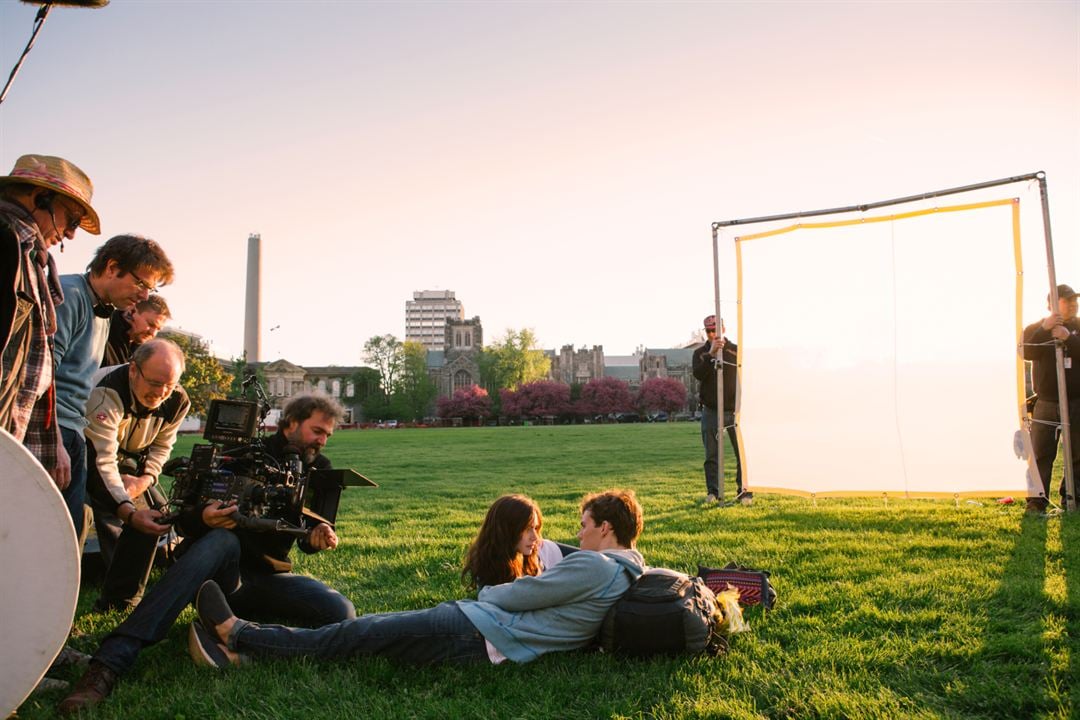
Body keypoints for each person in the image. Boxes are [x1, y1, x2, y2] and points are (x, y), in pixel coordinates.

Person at [59, 392, 356, 714]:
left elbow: (303, 539)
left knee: (341, 613)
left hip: (267, 578)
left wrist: (315, 538)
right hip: (216, 576)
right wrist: (204, 517)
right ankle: (109, 663)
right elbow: (182, 519)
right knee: (222, 540)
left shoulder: (319, 469)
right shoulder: (238, 453)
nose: (322, 441)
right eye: (317, 431)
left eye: (327, 434)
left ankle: (237, 637)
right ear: (291, 423)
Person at [186, 489, 645, 669]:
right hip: (483, 634)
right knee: (363, 637)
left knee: (359, 633)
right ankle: (247, 656)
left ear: (605, 528)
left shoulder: (596, 565)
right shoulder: (625, 570)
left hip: (478, 630)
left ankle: (241, 633)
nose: (579, 532)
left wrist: (488, 591)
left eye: (585, 524)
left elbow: (524, 594)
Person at [53, 234, 175, 542]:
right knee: (55, 527)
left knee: (74, 524)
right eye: (141, 283)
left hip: (76, 430)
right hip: (55, 428)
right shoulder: (69, 296)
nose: (145, 294)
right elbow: (44, 375)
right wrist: (52, 436)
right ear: (112, 267)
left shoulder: (103, 312)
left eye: (152, 288)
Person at [0, 154, 99, 481]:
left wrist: (50, 440)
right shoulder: (5, 240)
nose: (70, 234)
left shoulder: (30, 255)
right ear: (39, 197)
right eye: (70, 220)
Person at [84, 339, 190, 611]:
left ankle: (122, 600)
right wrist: (127, 508)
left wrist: (144, 480)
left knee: (155, 514)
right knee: (106, 509)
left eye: (169, 385)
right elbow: (101, 460)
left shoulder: (177, 399)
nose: (161, 393)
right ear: (133, 370)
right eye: (155, 383)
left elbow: (162, 447)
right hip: (86, 452)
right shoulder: (106, 390)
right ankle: (89, 579)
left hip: (131, 459)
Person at [1022, 284, 1080, 514]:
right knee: (1040, 455)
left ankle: (1073, 499)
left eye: (1074, 300)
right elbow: (1026, 352)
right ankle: (1036, 502)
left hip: (1077, 401)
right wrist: (1046, 329)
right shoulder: (1035, 329)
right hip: (1046, 402)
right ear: (1051, 304)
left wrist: (1068, 339)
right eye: (1068, 300)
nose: (1074, 304)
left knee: (1077, 454)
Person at [692, 314, 746, 504]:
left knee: (742, 454)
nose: (712, 334)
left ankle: (744, 491)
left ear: (723, 328)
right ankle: (713, 492)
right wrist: (711, 355)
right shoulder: (700, 353)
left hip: (734, 410)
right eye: (708, 331)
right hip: (711, 410)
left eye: (715, 329)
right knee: (711, 455)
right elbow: (698, 374)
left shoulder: (735, 350)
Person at [461, 493, 562, 591]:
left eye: (535, 528)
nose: (535, 537)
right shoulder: (487, 564)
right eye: (527, 529)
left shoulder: (533, 554)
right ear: (507, 531)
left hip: (551, 552)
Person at [102, 295, 171, 367]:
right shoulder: (102, 332)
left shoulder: (141, 354)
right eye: (150, 324)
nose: (153, 333)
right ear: (132, 311)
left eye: (158, 329)